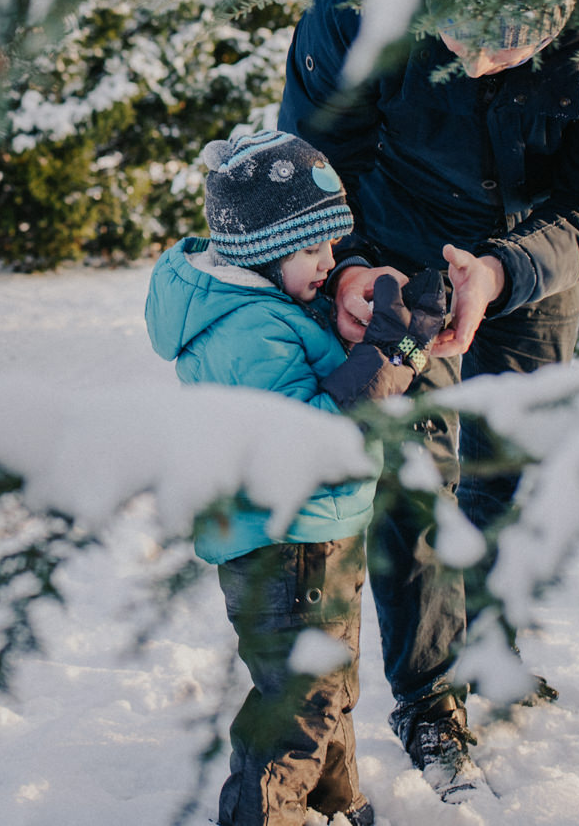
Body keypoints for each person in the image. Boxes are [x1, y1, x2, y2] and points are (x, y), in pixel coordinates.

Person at [276, 0, 579, 793]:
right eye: (463, 35)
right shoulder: (357, 3)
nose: (482, 59)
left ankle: (494, 639)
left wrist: (504, 271)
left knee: (509, 469)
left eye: (512, 40)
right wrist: (356, 265)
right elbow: (319, 157)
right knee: (419, 474)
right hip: (396, 238)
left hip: (527, 254)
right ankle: (431, 695)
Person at [145, 130, 449, 826]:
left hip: (314, 536)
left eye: (332, 246)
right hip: (287, 546)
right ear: (260, 248)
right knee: (299, 705)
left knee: (327, 687)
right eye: (314, 250)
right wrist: (386, 351)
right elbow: (313, 437)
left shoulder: (265, 308)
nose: (330, 263)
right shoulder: (246, 332)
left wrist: (401, 342)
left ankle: (334, 807)